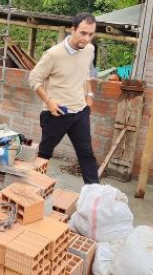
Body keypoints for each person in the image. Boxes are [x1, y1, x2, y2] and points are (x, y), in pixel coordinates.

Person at [27, 12, 99, 184]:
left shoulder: (89, 50)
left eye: (90, 34)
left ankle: (95, 194)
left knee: (87, 154)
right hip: (57, 113)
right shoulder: (54, 54)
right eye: (83, 33)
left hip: (80, 111)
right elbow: (33, 78)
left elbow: (86, 72)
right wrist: (49, 101)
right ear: (73, 30)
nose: (86, 39)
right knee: (44, 154)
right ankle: (33, 188)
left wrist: (89, 94)